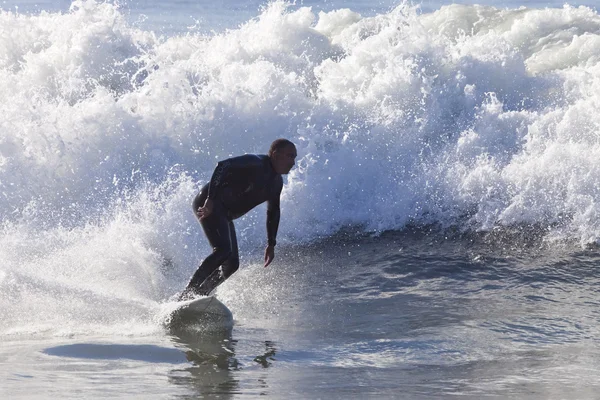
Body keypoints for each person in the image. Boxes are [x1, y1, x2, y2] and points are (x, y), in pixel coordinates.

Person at [178, 139, 297, 300]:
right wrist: (210, 200)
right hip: (210, 204)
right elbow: (223, 165)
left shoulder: (276, 184)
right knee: (223, 250)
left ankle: (199, 294)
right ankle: (187, 293)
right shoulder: (256, 163)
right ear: (275, 154)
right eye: (290, 156)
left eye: (294, 158)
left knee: (232, 264)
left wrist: (271, 244)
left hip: (224, 213)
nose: (293, 162)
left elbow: (273, 211)